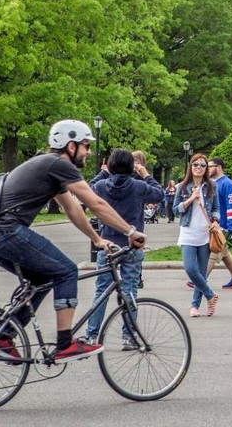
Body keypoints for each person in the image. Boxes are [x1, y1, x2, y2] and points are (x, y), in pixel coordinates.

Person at [0, 119, 147, 362]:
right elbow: (95, 203)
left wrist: (97, 240)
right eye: (85, 145)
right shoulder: (59, 165)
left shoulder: (48, 167)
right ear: (70, 146)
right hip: (5, 231)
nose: (88, 151)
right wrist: (131, 232)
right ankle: (65, 344)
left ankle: (3, 337)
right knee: (66, 271)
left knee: (42, 279)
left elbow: (73, 209)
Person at [81, 148, 163, 348]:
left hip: (108, 243)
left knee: (101, 290)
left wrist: (103, 172)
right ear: (131, 167)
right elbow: (159, 194)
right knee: (130, 290)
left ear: (110, 165)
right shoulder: (138, 187)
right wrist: (145, 174)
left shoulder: (101, 186)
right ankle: (129, 335)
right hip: (132, 244)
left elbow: (88, 190)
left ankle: (92, 334)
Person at [174, 153, 221, 317]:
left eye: (203, 165)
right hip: (188, 232)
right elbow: (175, 210)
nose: (199, 168)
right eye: (196, 164)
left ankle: (195, 306)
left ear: (207, 168)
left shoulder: (211, 186)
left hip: (205, 233)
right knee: (190, 269)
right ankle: (210, 295)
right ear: (190, 166)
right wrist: (190, 199)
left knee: (201, 272)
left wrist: (215, 220)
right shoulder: (182, 186)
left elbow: (216, 208)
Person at [206, 157, 232, 289]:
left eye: (210, 166)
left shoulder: (227, 184)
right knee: (224, 253)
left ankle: (199, 280)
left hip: (222, 226)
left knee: (214, 251)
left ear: (219, 167)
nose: (207, 169)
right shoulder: (212, 183)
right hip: (215, 224)